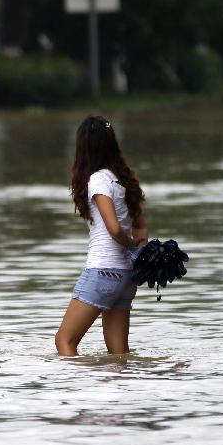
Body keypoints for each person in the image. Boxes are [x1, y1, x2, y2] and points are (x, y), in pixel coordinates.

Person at [54, 115, 148, 356]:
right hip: (127, 277)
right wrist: (137, 251)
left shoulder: (98, 179)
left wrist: (127, 245)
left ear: (83, 147)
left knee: (65, 341)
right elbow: (141, 229)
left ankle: (77, 391)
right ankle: (123, 390)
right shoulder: (125, 180)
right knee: (119, 354)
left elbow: (114, 229)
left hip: (103, 271)